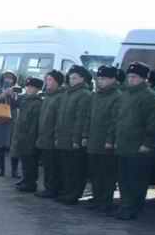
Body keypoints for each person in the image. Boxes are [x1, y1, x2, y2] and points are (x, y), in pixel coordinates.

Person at [114, 62, 155, 220]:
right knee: (123, 179)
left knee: (137, 180)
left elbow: (154, 123)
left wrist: (146, 143)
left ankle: (133, 207)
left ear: (143, 79)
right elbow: (119, 119)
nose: (131, 79)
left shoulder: (150, 97)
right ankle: (125, 205)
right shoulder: (126, 94)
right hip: (124, 144)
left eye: (134, 77)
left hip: (139, 146)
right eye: (129, 77)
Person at [85, 65, 122, 213]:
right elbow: (89, 117)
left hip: (106, 142)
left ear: (113, 79)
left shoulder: (117, 96)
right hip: (94, 139)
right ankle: (97, 198)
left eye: (104, 78)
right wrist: (85, 135)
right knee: (95, 172)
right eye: (99, 78)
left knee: (107, 174)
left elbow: (115, 121)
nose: (100, 81)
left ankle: (105, 201)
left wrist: (109, 139)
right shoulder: (96, 95)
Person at [55, 65, 93, 205]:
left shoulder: (84, 94)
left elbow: (81, 119)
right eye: (70, 78)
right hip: (64, 137)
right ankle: (66, 192)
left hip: (74, 138)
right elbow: (61, 116)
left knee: (76, 169)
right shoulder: (67, 93)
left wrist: (77, 139)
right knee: (66, 168)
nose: (71, 80)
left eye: (75, 78)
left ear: (82, 79)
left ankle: (73, 194)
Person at [35, 70, 66, 198]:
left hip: (52, 137)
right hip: (44, 136)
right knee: (47, 164)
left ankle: (53, 189)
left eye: (50, 80)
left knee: (53, 165)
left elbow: (59, 119)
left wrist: (55, 135)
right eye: (46, 79)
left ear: (57, 82)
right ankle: (48, 187)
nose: (47, 82)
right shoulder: (48, 96)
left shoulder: (60, 97)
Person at [10, 77, 44, 193]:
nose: (28, 89)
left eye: (31, 87)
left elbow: (34, 124)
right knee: (24, 160)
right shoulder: (25, 100)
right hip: (21, 133)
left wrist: (30, 138)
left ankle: (30, 183)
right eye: (27, 87)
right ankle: (25, 179)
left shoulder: (37, 103)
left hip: (29, 136)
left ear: (37, 89)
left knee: (30, 162)